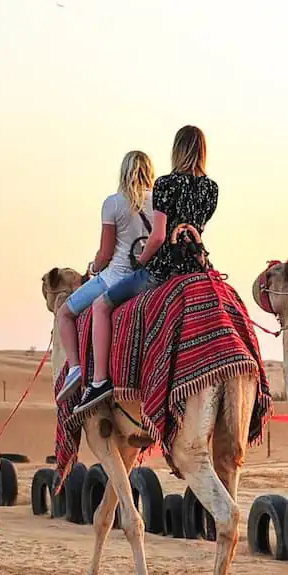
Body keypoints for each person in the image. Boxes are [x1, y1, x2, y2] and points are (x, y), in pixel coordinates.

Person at [77, 124, 218, 413]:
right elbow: (196, 231)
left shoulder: (166, 184)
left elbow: (158, 236)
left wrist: (141, 263)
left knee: (102, 306)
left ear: (177, 149)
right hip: (196, 269)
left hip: (163, 271)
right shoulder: (211, 189)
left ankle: (100, 380)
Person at [54, 150, 156, 401]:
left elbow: (106, 252)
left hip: (115, 277)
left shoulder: (113, 203)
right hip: (149, 278)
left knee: (65, 313)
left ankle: (77, 369)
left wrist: (93, 268)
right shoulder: (159, 202)